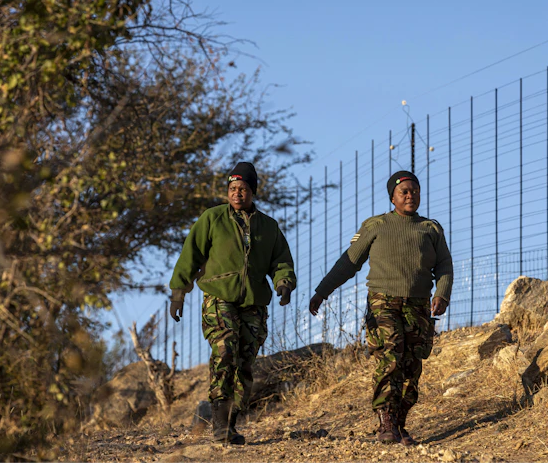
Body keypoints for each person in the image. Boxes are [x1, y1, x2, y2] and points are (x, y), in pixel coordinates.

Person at [308, 170, 452, 445]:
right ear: (392, 197)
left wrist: (442, 294)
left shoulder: (430, 229)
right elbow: (349, 262)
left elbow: (444, 265)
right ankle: (385, 421)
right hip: (382, 302)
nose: (411, 196)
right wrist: (322, 292)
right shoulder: (376, 225)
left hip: (418, 305)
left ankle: (399, 423)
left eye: (415, 191)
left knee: (412, 367)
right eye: (404, 192)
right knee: (390, 355)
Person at [169, 162, 296, 445]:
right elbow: (191, 255)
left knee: (245, 362)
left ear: (253, 192)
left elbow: (282, 261)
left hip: (254, 302)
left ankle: (231, 422)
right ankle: (218, 423)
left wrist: (284, 283)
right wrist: (179, 292)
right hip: (219, 297)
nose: (237, 193)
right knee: (225, 350)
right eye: (232, 188)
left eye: (243, 188)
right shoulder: (212, 218)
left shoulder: (268, 227)